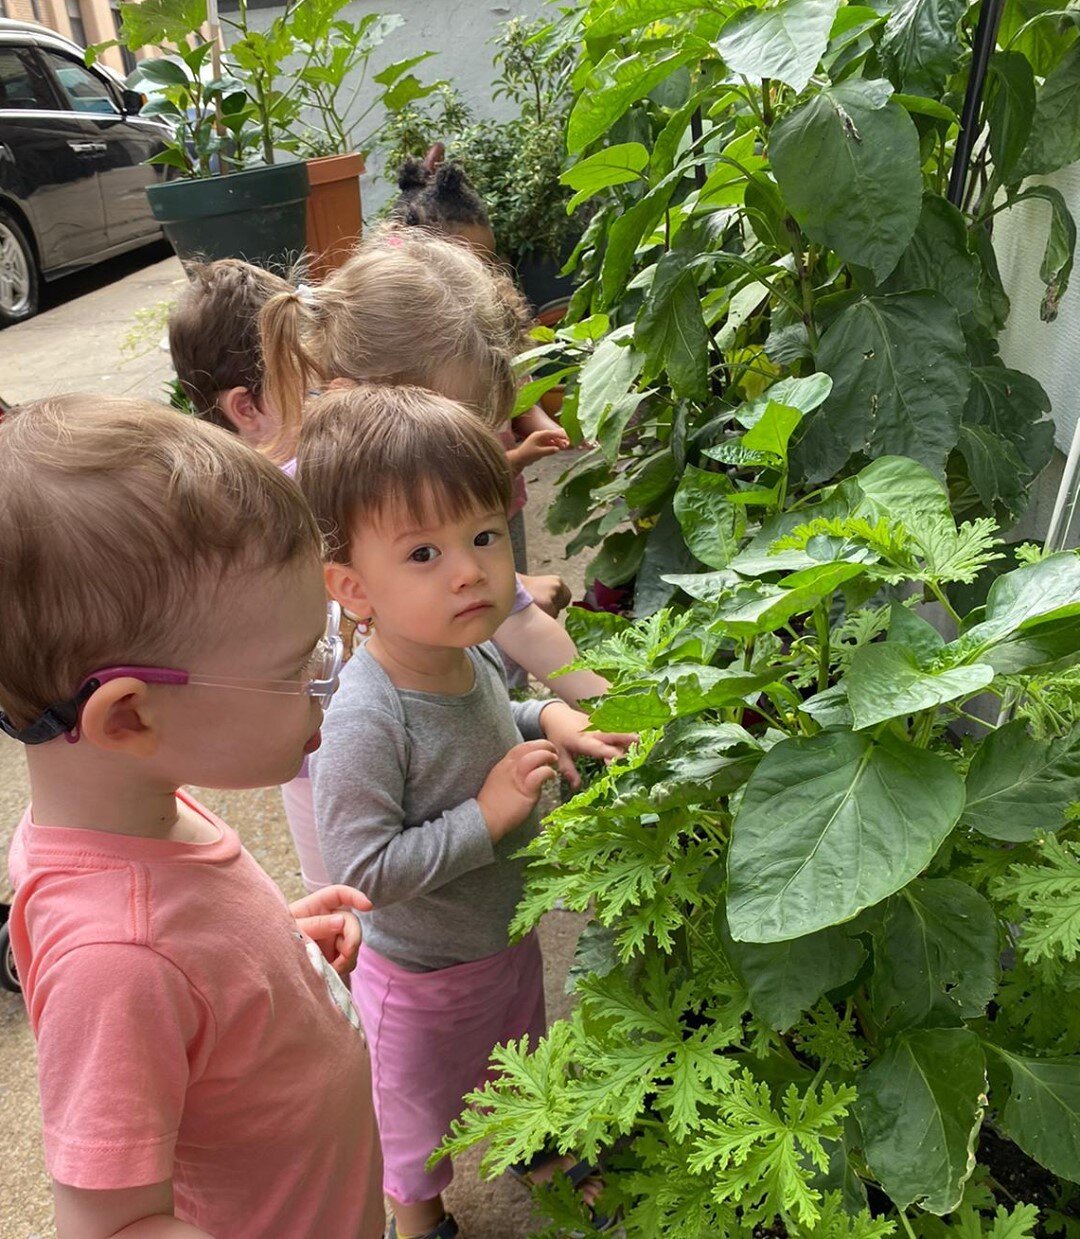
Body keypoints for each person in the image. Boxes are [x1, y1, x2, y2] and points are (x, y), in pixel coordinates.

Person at [0, 395, 384, 1239]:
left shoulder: (139, 809)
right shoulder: (117, 961)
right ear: (129, 717)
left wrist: (260, 954)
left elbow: (181, 952)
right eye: (299, 665)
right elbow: (108, 1226)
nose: (331, 676)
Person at [296, 384, 633, 1239]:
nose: (468, 568)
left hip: (503, 938)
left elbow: (498, 726)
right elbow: (364, 870)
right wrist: (485, 817)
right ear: (352, 586)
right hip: (418, 978)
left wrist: (550, 715)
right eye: (422, 553)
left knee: (521, 1058)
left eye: (484, 536)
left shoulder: (469, 649)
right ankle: (421, 1220)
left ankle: (539, 1146)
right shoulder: (367, 719)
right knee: (416, 1118)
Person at [170, 256, 596, 890]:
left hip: (444, 734)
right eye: (446, 428)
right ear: (352, 395)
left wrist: (605, 703)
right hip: (336, 770)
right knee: (362, 926)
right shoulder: (282, 509)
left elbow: (517, 617)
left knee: (464, 896)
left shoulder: (408, 493)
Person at [390, 158, 573, 578]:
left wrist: (544, 425)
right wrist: (516, 459)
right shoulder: (410, 350)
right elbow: (438, 471)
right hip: (449, 522)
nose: (484, 277)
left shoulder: (488, 322)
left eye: (488, 262)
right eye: (469, 262)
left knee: (515, 589)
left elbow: (516, 392)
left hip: (502, 504)